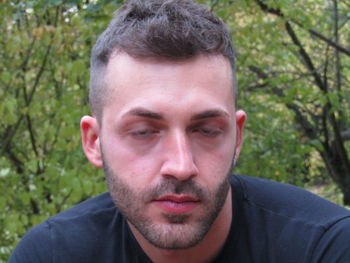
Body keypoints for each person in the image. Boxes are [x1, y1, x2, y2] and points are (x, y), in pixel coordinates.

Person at [9, 0, 350, 262]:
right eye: (143, 131)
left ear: (238, 136)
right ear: (94, 142)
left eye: (206, 130)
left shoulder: (325, 247)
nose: (182, 165)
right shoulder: (50, 254)